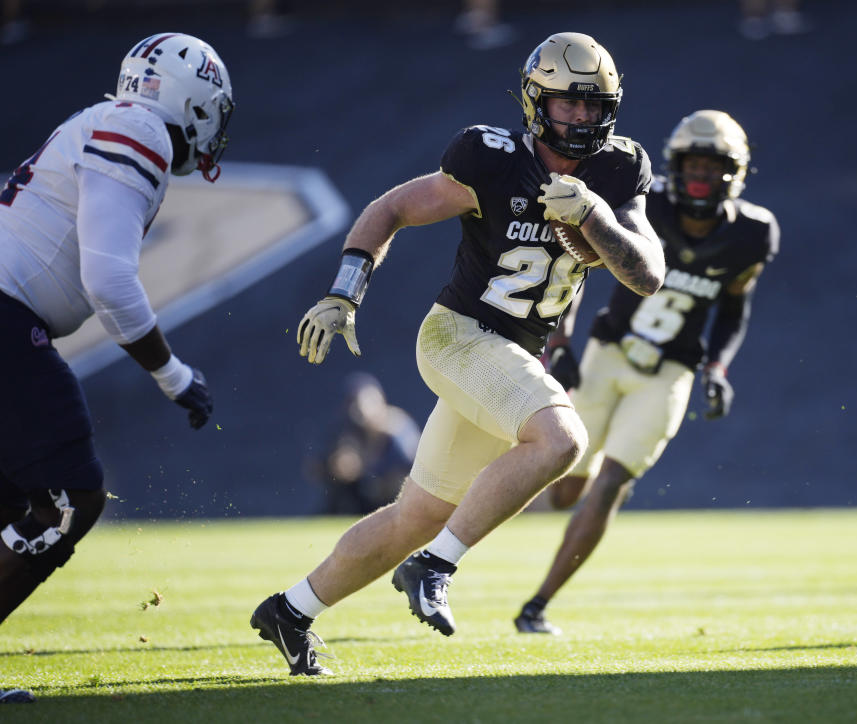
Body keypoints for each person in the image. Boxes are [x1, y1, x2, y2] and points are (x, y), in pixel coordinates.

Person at [250, 31, 665, 676]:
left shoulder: (617, 171)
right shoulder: (491, 160)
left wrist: (595, 219)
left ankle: (291, 610)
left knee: (417, 513)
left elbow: (646, 273)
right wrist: (344, 293)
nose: (581, 117)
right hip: (459, 337)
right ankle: (436, 565)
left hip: (513, 353)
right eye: (568, 103)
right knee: (561, 441)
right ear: (535, 102)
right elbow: (391, 208)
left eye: (593, 105)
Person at [0, 31, 234, 653]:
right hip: (4, 314)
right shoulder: (142, 130)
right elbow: (106, 280)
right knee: (70, 497)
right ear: (198, 102)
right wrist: (174, 376)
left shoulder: (107, 118)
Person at [513, 109, 779, 634]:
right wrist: (562, 341)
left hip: (670, 371)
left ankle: (537, 606)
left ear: (736, 173)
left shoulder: (752, 233)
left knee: (612, 481)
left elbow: (733, 306)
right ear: (674, 167)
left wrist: (718, 366)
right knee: (563, 487)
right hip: (608, 354)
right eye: (692, 164)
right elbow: (578, 262)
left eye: (712, 166)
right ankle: (451, 539)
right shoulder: (645, 204)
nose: (700, 177)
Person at [304, 372, 420, 515]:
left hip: (396, 502)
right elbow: (316, 468)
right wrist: (338, 468)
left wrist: (370, 471)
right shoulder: (350, 431)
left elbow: (414, 470)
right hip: (362, 503)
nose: (358, 413)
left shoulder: (397, 430)